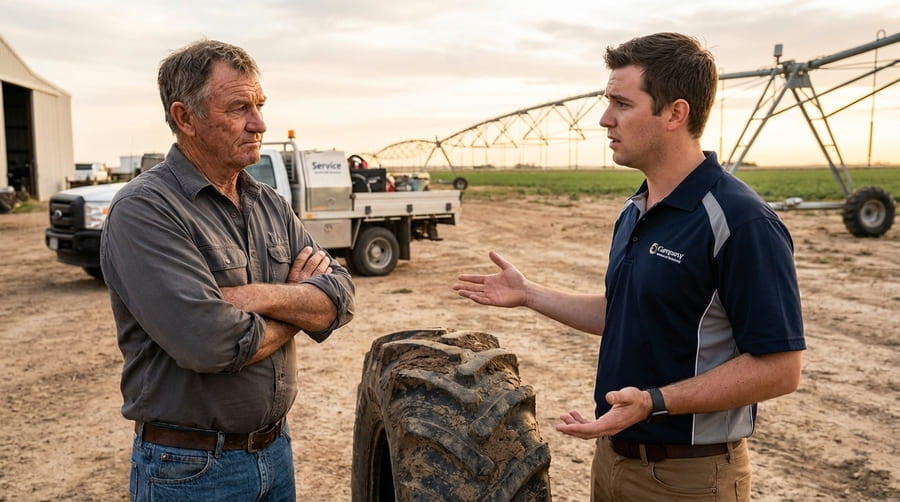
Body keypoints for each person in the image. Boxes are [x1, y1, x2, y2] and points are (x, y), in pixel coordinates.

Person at [454, 32, 805, 501]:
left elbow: (780, 369)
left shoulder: (741, 221)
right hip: (614, 461)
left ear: (675, 114)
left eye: (621, 103)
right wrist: (530, 295)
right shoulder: (636, 209)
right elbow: (625, 312)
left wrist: (654, 403)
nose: (604, 119)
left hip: (691, 479)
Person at [100, 39, 355, 501]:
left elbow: (340, 298)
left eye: (259, 105)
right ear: (185, 118)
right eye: (239, 107)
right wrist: (298, 305)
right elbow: (212, 344)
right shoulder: (146, 210)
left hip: (276, 453)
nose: (259, 122)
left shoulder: (269, 203)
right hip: (191, 471)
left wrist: (262, 298)